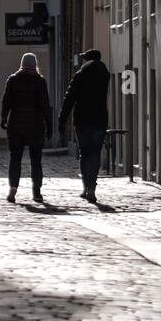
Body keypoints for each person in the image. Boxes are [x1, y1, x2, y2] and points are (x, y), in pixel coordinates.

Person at [58, 49, 111, 204]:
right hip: (100, 119)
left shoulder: (80, 75)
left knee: (84, 153)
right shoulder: (105, 75)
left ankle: (86, 187)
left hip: (82, 120)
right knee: (95, 154)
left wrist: (62, 119)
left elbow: (69, 98)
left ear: (87, 60)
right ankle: (92, 188)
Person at [1, 52, 53, 203]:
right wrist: (49, 126)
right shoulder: (39, 81)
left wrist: (4, 118)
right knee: (36, 161)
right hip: (35, 125)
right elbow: (45, 105)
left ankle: (13, 189)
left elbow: (6, 101)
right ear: (35, 64)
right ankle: (36, 192)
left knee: (15, 159)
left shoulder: (13, 79)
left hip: (16, 124)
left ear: (22, 64)